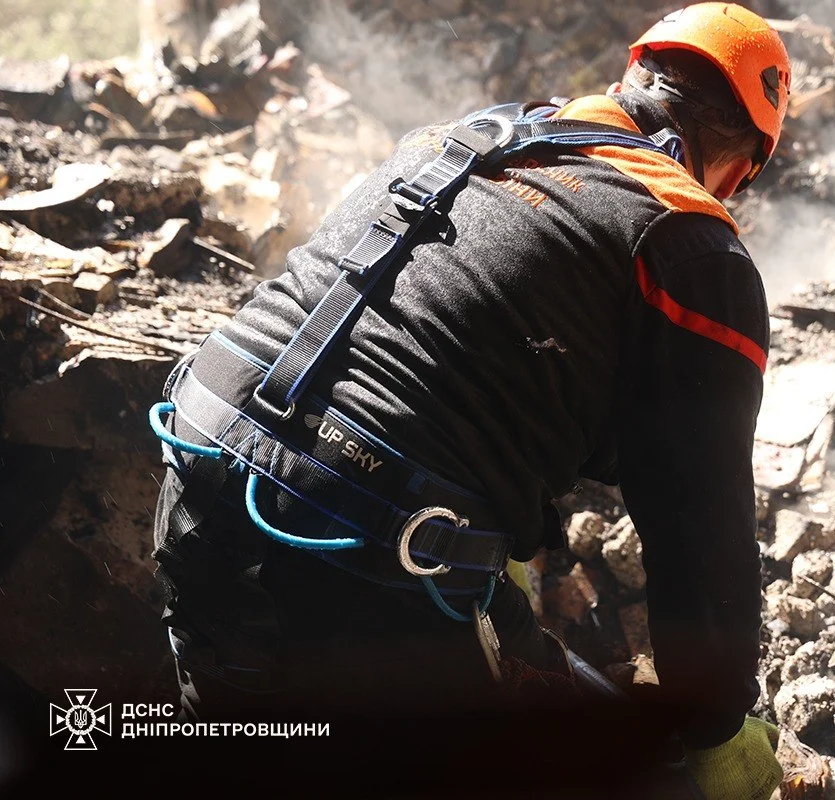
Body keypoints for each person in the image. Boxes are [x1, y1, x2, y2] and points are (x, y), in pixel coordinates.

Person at [147, 3, 792, 797]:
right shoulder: (692, 242)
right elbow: (700, 529)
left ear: (631, 80)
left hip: (201, 447)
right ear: (740, 165)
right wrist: (716, 722)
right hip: (368, 535)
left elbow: (430, 331)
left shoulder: (469, 137)